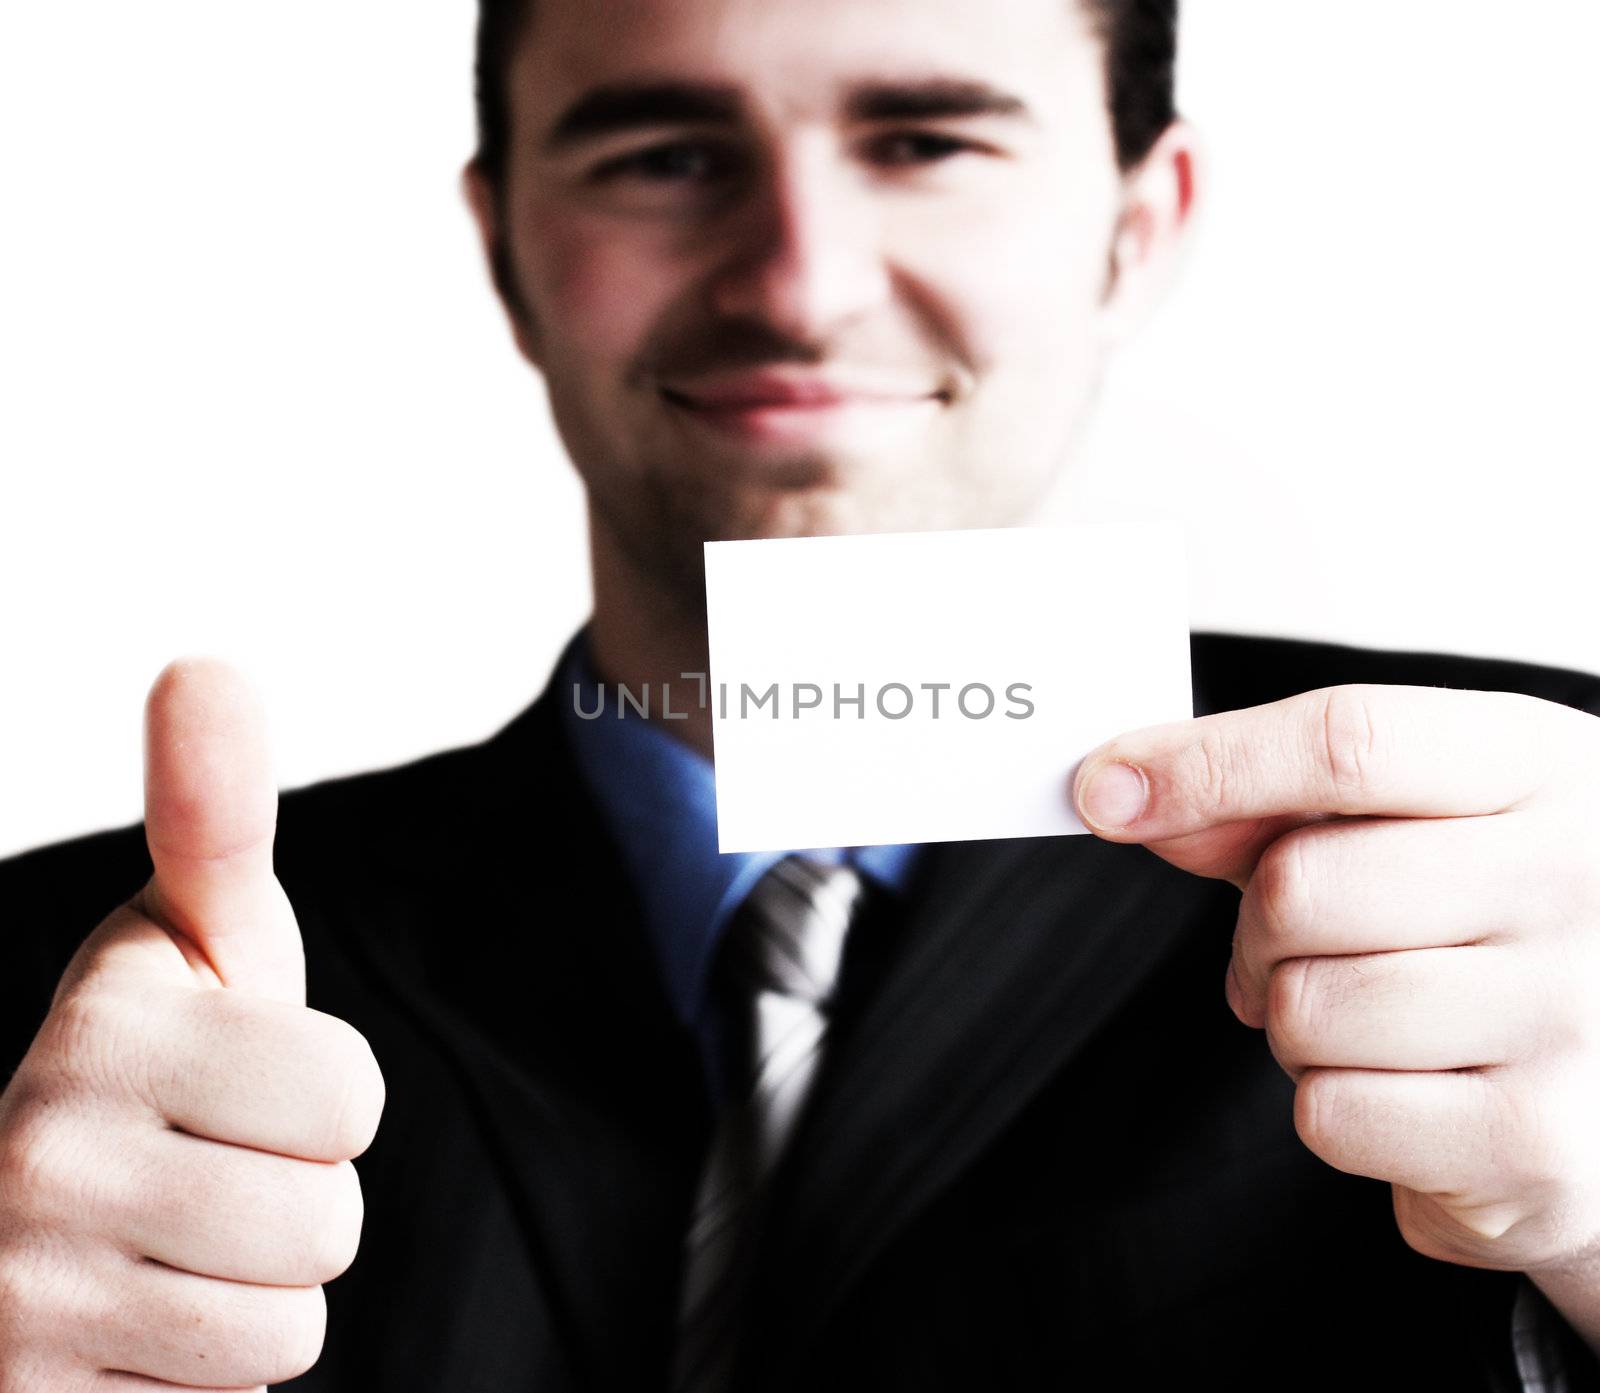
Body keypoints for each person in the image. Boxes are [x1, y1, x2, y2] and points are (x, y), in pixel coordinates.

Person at [3, 0, 1600, 1388]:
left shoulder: (1551, 873)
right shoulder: (64, 1017)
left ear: (1138, 226)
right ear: (503, 246)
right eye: (665, 155)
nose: (801, 284)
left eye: (927, 141)